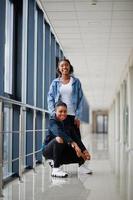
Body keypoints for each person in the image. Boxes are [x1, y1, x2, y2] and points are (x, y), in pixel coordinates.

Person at [42, 101, 92, 178]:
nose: (63, 113)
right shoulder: (52, 121)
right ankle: (55, 169)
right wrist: (73, 144)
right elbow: (59, 133)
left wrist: (84, 151)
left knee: (81, 153)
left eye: (65, 111)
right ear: (55, 111)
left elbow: (76, 138)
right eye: (60, 111)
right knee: (59, 139)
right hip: (48, 150)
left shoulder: (67, 122)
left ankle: (81, 167)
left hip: (62, 149)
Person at [47, 58, 83, 139]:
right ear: (59, 68)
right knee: (61, 140)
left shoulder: (76, 82)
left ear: (69, 67)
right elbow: (50, 98)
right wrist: (53, 113)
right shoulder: (55, 83)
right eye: (62, 65)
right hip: (60, 115)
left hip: (72, 115)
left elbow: (80, 100)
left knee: (76, 139)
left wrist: (78, 116)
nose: (64, 67)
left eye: (66, 65)